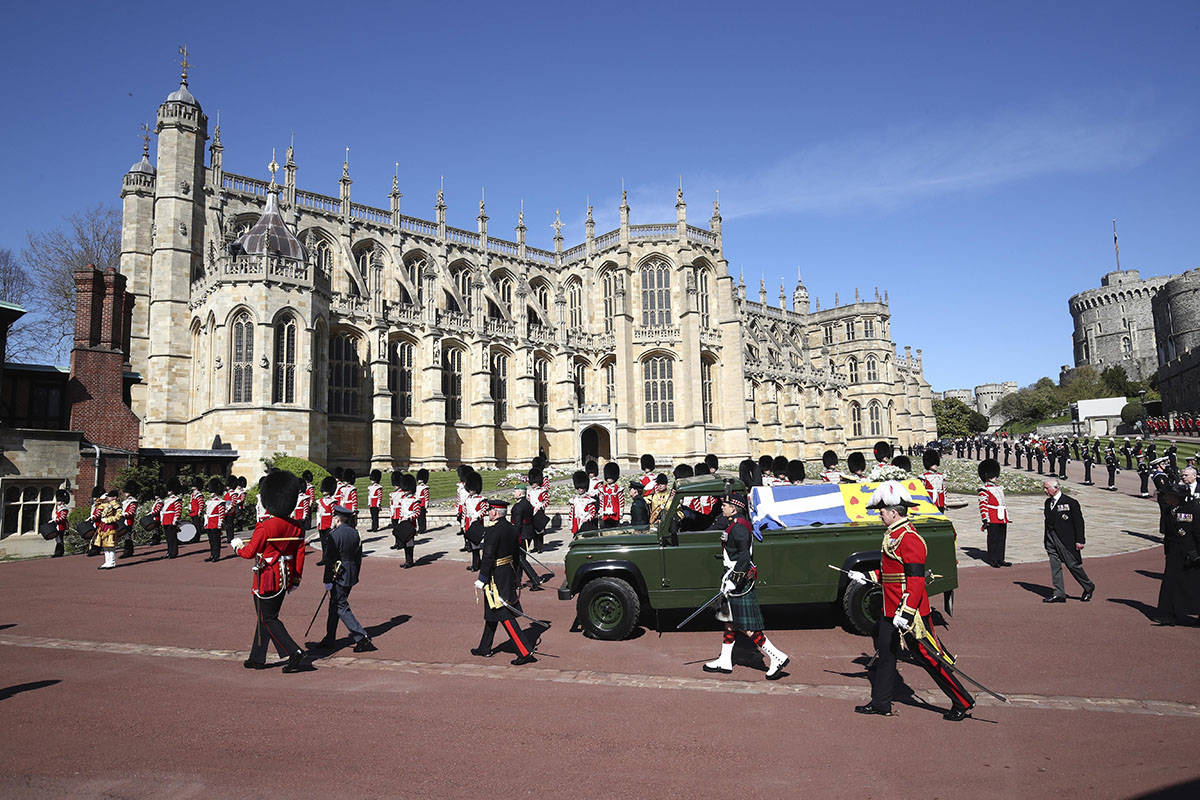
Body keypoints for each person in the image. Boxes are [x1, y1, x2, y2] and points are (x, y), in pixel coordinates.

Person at [848, 482, 975, 720]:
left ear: (894, 512)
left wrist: (905, 613)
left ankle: (962, 700)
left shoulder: (909, 538)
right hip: (890, 611)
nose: (880, 514)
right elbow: (892, 572)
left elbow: (915, 580)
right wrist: (866, 577)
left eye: (883, 511)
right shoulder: (894, 534)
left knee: (929, 658)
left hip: (910, 614)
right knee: (885, 653)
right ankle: (881, 702)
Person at [701, 493, 789, 680]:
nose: (722, 507)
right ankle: (725, 659)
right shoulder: (736, 524)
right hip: (731, 576)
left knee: (746, 626)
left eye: (724, 505)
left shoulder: (739, 528)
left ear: (733, 508)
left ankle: (777, 656)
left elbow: (744, 558)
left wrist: (733, 580)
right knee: (730, 622)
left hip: (738, 580)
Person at [230, 471, 309, 672]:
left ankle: (295, 653)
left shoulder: (265, 527)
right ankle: (257, 657)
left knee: (268, 618)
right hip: (286, 578)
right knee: (265, 616)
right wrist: (296, 578)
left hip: (267, 579)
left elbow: (248, 553)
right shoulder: (296, 527)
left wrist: (236, 546)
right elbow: (300, 553)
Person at [471, 499, 538, 665]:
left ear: (494, 512)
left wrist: (482, 578)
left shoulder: (493, 531)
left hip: (495, 577)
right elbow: (516, 556)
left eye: (489, 511)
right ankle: (485, 647)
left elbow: (488, 557)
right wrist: (515, 575)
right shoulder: (512, 529)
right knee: (491, 612)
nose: (488, 514)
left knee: (503, 613)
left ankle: (525, 651)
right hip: (508, 572)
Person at [312, 503, 376, 653]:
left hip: (338, 573)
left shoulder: (334, 535)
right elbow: (358, 557)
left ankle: (361, 637)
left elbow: (330, 560)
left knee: (340, 605)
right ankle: (330, 638)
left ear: (337, 519)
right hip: (351, 572)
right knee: (334, 605)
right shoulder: (355, 533)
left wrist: (327, 580)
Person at [1042, 478, 1095, 603]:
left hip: (1066, 540)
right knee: (1055, 567)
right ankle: (1059, 593)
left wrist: (1080, 540)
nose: (1044, 491)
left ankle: (1088, 586)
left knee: (1073, 565)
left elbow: (1079, 523)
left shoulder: (1070, 502)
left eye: (1046, 488)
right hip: (1051, 538)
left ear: (1056, 488)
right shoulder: (1047, 503)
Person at [1155, 484, 1200, 625]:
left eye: (1168, 495)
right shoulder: (1171, 509)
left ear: (1176, 497)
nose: (1164, 497)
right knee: (1171, 583)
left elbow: (1193, 533)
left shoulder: (1190, 511)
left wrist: (1195, 553)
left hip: (1189, 554)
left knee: (1192, 585)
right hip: (1174, 553)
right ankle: (1169, 613)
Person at [509, 485, 544, 590]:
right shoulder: (527, 503)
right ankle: (517, 582)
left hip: (521, 534)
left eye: (515, 492)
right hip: (528, 533)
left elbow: (517, 524)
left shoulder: (518, 506)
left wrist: (514, 536)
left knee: (520, 559)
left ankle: (534, 579)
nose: (514, 493)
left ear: (520, 493)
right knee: (520, 559)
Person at [978, 459, 1010, 567]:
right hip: (992, 517)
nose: (995, 477)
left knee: (1002, 538)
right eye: (993, 475)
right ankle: (993, 559)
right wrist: (985, 519)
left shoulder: (998, 488)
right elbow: (983, 505)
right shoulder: (984, 489)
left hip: (1001, 516)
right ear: (987, 475)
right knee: (993, 539)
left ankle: (1000, 558)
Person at [391, 472, 420, 568]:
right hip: (403, 523)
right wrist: (400, 520)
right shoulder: (402, 499)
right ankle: (407, 560)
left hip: (410, 524)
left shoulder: (415, 500)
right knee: (404, 543)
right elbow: (400, 512)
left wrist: (410, 517)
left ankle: (410, 561)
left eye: (407, 490)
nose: (405, 491)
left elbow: (417, 513)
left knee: (409, 543)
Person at [463, 471, 488, 571]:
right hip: (469, 523)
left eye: (472, 488)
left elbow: (484, 509)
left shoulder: (481, 499)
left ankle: (476, 565)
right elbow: (464, 513)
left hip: (476, 523)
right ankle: (476, 563)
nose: (470, 490)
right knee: (472, 546)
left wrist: (477, 516)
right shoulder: (467, 500)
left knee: (476, 546)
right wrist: (464, 526)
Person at [92, 491, 122, 570]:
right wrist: (100, 499)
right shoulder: (106, 505)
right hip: (104, 526)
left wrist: (108, 520)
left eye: (109, 496)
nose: (108, 498)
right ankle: (107, 562)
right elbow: (97, 506)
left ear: (114, 497)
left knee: (110, 545)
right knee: (105, 545)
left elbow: (118, 516)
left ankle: (112, 562)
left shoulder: (116, 505)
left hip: (111, 526)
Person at [203, 477, 227, 562]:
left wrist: (220, 523)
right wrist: (206, 523)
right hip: (210, 522)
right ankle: (212, 554)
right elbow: (207, 513)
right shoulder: (209, 501)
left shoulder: (220, 501)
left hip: (215, 522)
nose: (210, 493)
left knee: (216, 540)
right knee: (211, 541)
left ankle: (216, 555)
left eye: (212, 491)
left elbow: (221, 514)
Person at [316, 475, 337, 566]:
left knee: (329, 543)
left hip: (328, 524)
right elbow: (318, 513)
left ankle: (329, 558)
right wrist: (318, 524)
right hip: (321, 524)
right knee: (323, 543)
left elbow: (334, 514)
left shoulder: (332, 502)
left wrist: (332, 525)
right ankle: (324, 558)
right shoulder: (319, 501)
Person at [159, 478, 183, 559]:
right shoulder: (167, 500)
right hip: (166, 520)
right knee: (168, 538)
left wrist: (175, 519)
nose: (168, 491)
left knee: (172, 537)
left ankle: (173, 552)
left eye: (170, 490)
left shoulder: (176, 499)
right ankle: (169, 552)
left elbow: (178, 510)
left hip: (171, 519)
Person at [527, 466, 549, 552]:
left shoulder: (542, 491)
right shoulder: (530, 492)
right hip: (532, 512)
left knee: (539, 531)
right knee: (532, 531)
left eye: (534, 483)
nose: (532, 485)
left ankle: (540, 547)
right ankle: (535, 546)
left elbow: (547, 502)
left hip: (539, 512)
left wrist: (539, 507)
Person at [570, 470, 598, 534]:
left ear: (585, 488)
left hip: (586, 524)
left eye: (581, 488)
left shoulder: (589, 500)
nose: (579, 489)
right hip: (576, 523)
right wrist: (571, 524)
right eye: (578, 488)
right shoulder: (574, 500)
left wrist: (587, 518)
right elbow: (571, 513)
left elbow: (592, 513)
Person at [118, 480, 140, 559]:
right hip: (124, 520)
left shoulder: (133, 501)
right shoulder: (126, 501)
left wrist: (122, 514)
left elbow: (131, 512)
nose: (125, 493)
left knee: (127, 536)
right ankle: (128, 551)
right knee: (126, 536)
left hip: (128, 520)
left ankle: (128, 551)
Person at [920, 449, 947, 514]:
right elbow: (921, 492)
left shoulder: (941, 476)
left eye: (936, 464)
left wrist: (945, 502)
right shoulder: (923, 477)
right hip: (929, 502)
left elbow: (944, 490)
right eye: (933, 464)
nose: (935, 465)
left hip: (940, 502)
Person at [598, 461, 622, 528]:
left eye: (610, 477)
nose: (609, 479)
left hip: (615, 513)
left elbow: (621, 502)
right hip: (606, 513)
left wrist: (620, 513)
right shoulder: (603, 489)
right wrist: (601, 512)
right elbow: (602, 502)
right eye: (608, 477)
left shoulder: (618, 489)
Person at [51, 488, 70, 558]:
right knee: (58, 539)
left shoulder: (64, 508)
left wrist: (55, 521)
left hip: (61, 526)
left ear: (62, 501)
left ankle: (59, 552)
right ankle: (59, 552)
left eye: (59, 500)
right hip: (58, 526)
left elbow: (62, 518)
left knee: (59, 539)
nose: (57, 501)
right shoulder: (59, 508)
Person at [415, 468, 430, 536]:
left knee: (422, 517)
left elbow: (426, 497)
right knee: (419, 517)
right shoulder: (417, 487)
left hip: (422, 504)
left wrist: (426, 505)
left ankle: (422, 528)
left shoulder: (425, 487)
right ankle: (420, 528)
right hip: (418, 504)